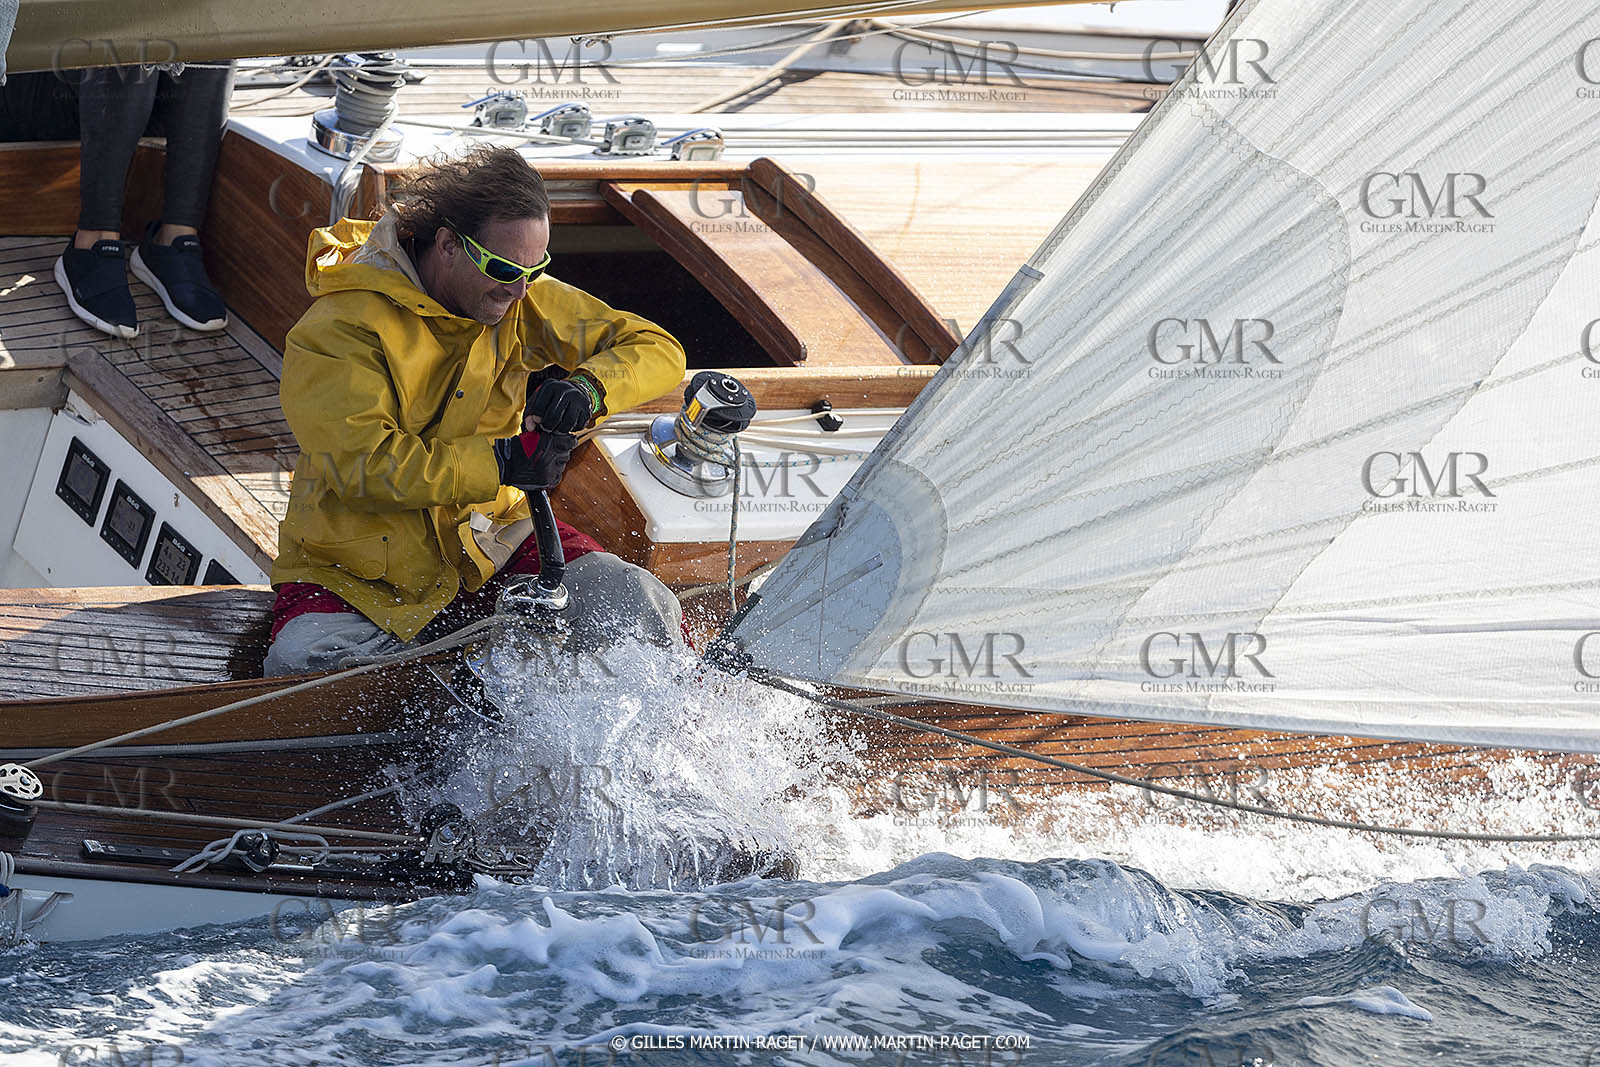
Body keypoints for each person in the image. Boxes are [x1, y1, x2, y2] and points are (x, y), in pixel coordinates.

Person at [263, 145, 687, 677]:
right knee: (304, 673)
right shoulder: (337, 332)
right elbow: (364, 468)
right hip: (357, 575)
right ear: (447, 245)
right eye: (505, 267)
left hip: (490, 542)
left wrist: (588, 388)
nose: (521, 289)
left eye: (538, 268)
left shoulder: (518, 293)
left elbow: (658, 348)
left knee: (637, 606)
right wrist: (504, 462)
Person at [0, 61, 235, 337]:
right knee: (128, 30)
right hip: (34, 92)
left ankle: (175, 237)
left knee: (209, 34)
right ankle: (92, 243)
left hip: (137, 97)